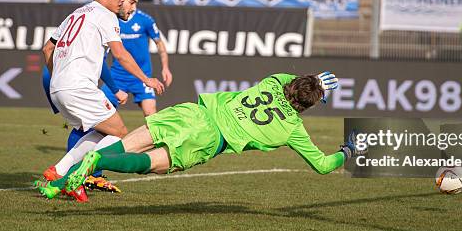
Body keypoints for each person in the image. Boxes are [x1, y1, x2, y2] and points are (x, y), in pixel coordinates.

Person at [36, 72, 364, 200]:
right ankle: (93, 163)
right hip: (209, 139)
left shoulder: (274, 81)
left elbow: (297, 80)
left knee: (129, 142)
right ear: (311, 104)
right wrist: (346, 152)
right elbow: (322, 165)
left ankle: (61, 181)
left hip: (192, 112)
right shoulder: (293, 129)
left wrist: (316, 80)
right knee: (146, 164)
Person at [39, 0, 164, 199]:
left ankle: (57, 170)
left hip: (58, 86)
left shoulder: (75, 14)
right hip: (78, 86)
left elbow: (48, 49)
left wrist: (59, 75)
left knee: (95, 131)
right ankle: (75, 177)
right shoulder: (105, 15)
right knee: (119, 133)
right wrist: (147, 79)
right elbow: (120, 54)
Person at [101, 0, 173, 117]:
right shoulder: (110, 20)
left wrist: (165, 67)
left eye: (136, 3)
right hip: (117, 76)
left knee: (151, 114)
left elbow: (159, 43)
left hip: (142, 75)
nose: (134, 7)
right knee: (101, 112)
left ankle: (155, 139)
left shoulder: (145, 20)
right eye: (132, 2)